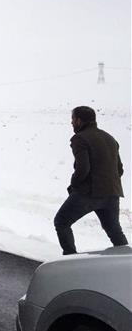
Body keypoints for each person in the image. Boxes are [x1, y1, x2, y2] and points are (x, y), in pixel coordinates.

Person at [53, 106, 128, 254]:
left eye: (73, 119)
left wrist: (74, 185)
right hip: (112, 193)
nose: (71, 122)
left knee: (61, 221)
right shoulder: (110, 138)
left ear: (79, 121)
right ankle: (127, 261)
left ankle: (71, 259)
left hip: (88, 193)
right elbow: (119, 169)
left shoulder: (80, 139)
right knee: (114, 231)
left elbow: (83, 169)